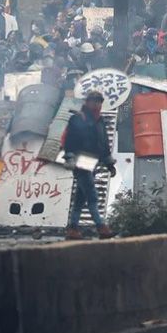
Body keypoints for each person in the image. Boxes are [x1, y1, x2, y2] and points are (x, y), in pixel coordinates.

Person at [62, 90, 116, 240]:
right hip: (80, 160)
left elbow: (103, 144)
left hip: (92, 162)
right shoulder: (78, 119)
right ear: (87, 102)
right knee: (92, 196)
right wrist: (70, 157)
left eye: (99, 101)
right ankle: (101, 227)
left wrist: (109, 164)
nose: (96, 104)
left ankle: (73, 229)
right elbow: (69, 141)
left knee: (80, 198)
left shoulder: (100, 121)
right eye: (93, 101)